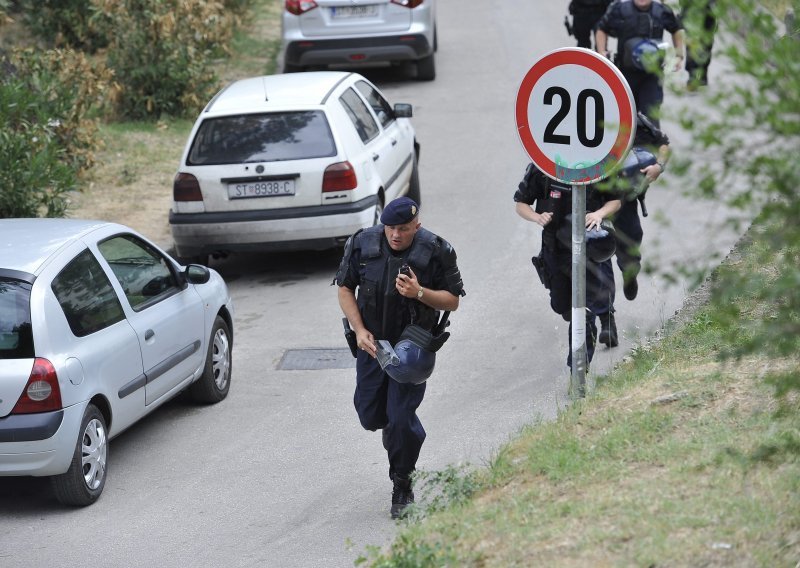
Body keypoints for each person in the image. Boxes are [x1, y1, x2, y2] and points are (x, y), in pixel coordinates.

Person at [335, 196, 465, 519]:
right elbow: (344, 288)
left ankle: (402, 482)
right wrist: (359, 328)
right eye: (391, 228)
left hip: (410, 349)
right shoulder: (362, 245)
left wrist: (419, 292)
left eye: (404, 229)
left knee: (401, 416)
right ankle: (393, 431)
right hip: (372, 345)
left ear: (416, 226)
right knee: (370, 415)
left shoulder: (436, 250)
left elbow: (452, 301)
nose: (396, 235)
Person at [514, 165, 620, 369]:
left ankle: (578, 368)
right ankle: (586, 321)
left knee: (584, 308)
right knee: (561, 304)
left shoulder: (596, 164)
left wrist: (599, 214)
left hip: (590, 245)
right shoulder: (543, 169)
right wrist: (537, 217)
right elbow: (521, 203)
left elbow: (615, 199)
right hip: (555, 247)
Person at [597, 111, 671, 347]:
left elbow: (663, 145)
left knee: (628, 252)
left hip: (622, 196)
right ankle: (606, 321)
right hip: (589, 197)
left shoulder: (628, 115)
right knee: (597, 259)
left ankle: (630, 272)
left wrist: (658, 167)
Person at [595, 0, 685, 122]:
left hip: (652, 75)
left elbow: (677, 29)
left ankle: (651, 139)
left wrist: (679, 55)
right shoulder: (620, 9)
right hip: (626, 75)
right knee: (625, 119)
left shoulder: (662, 11)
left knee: (651, 119)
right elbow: (602, 28)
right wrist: (601, 52)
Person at [680, 0, 717, 88]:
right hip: (691, 10)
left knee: (706, 43)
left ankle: (703, 72)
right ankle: (692, 75)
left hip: (708, 11)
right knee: (692, 42)